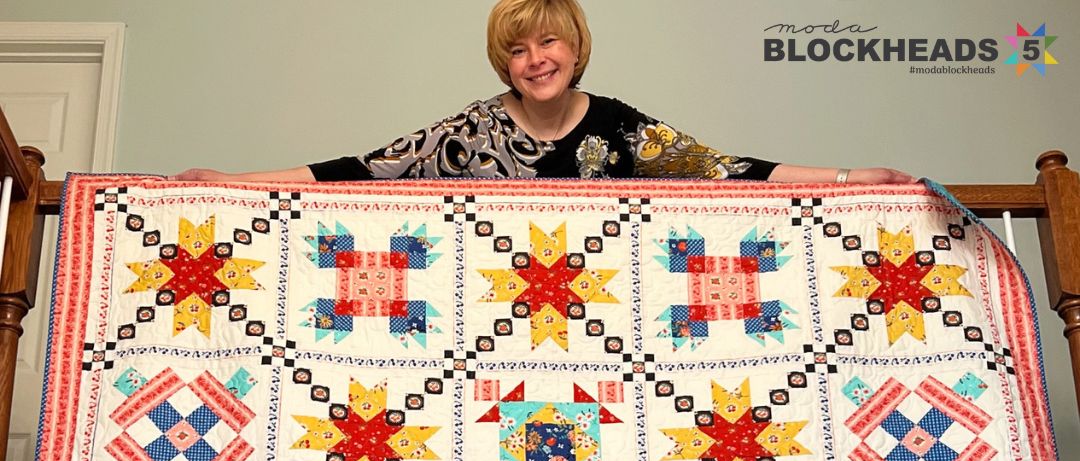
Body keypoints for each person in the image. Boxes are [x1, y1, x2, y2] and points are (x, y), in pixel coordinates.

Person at [173, 0, 912, 186]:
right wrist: (230, 183)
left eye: (548, 42)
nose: (535, 60)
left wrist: (853, 179)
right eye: (518, 49)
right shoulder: (470, 132)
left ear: (575, 47)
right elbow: (361, 172)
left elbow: (730, 172)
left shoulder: (621, 128)